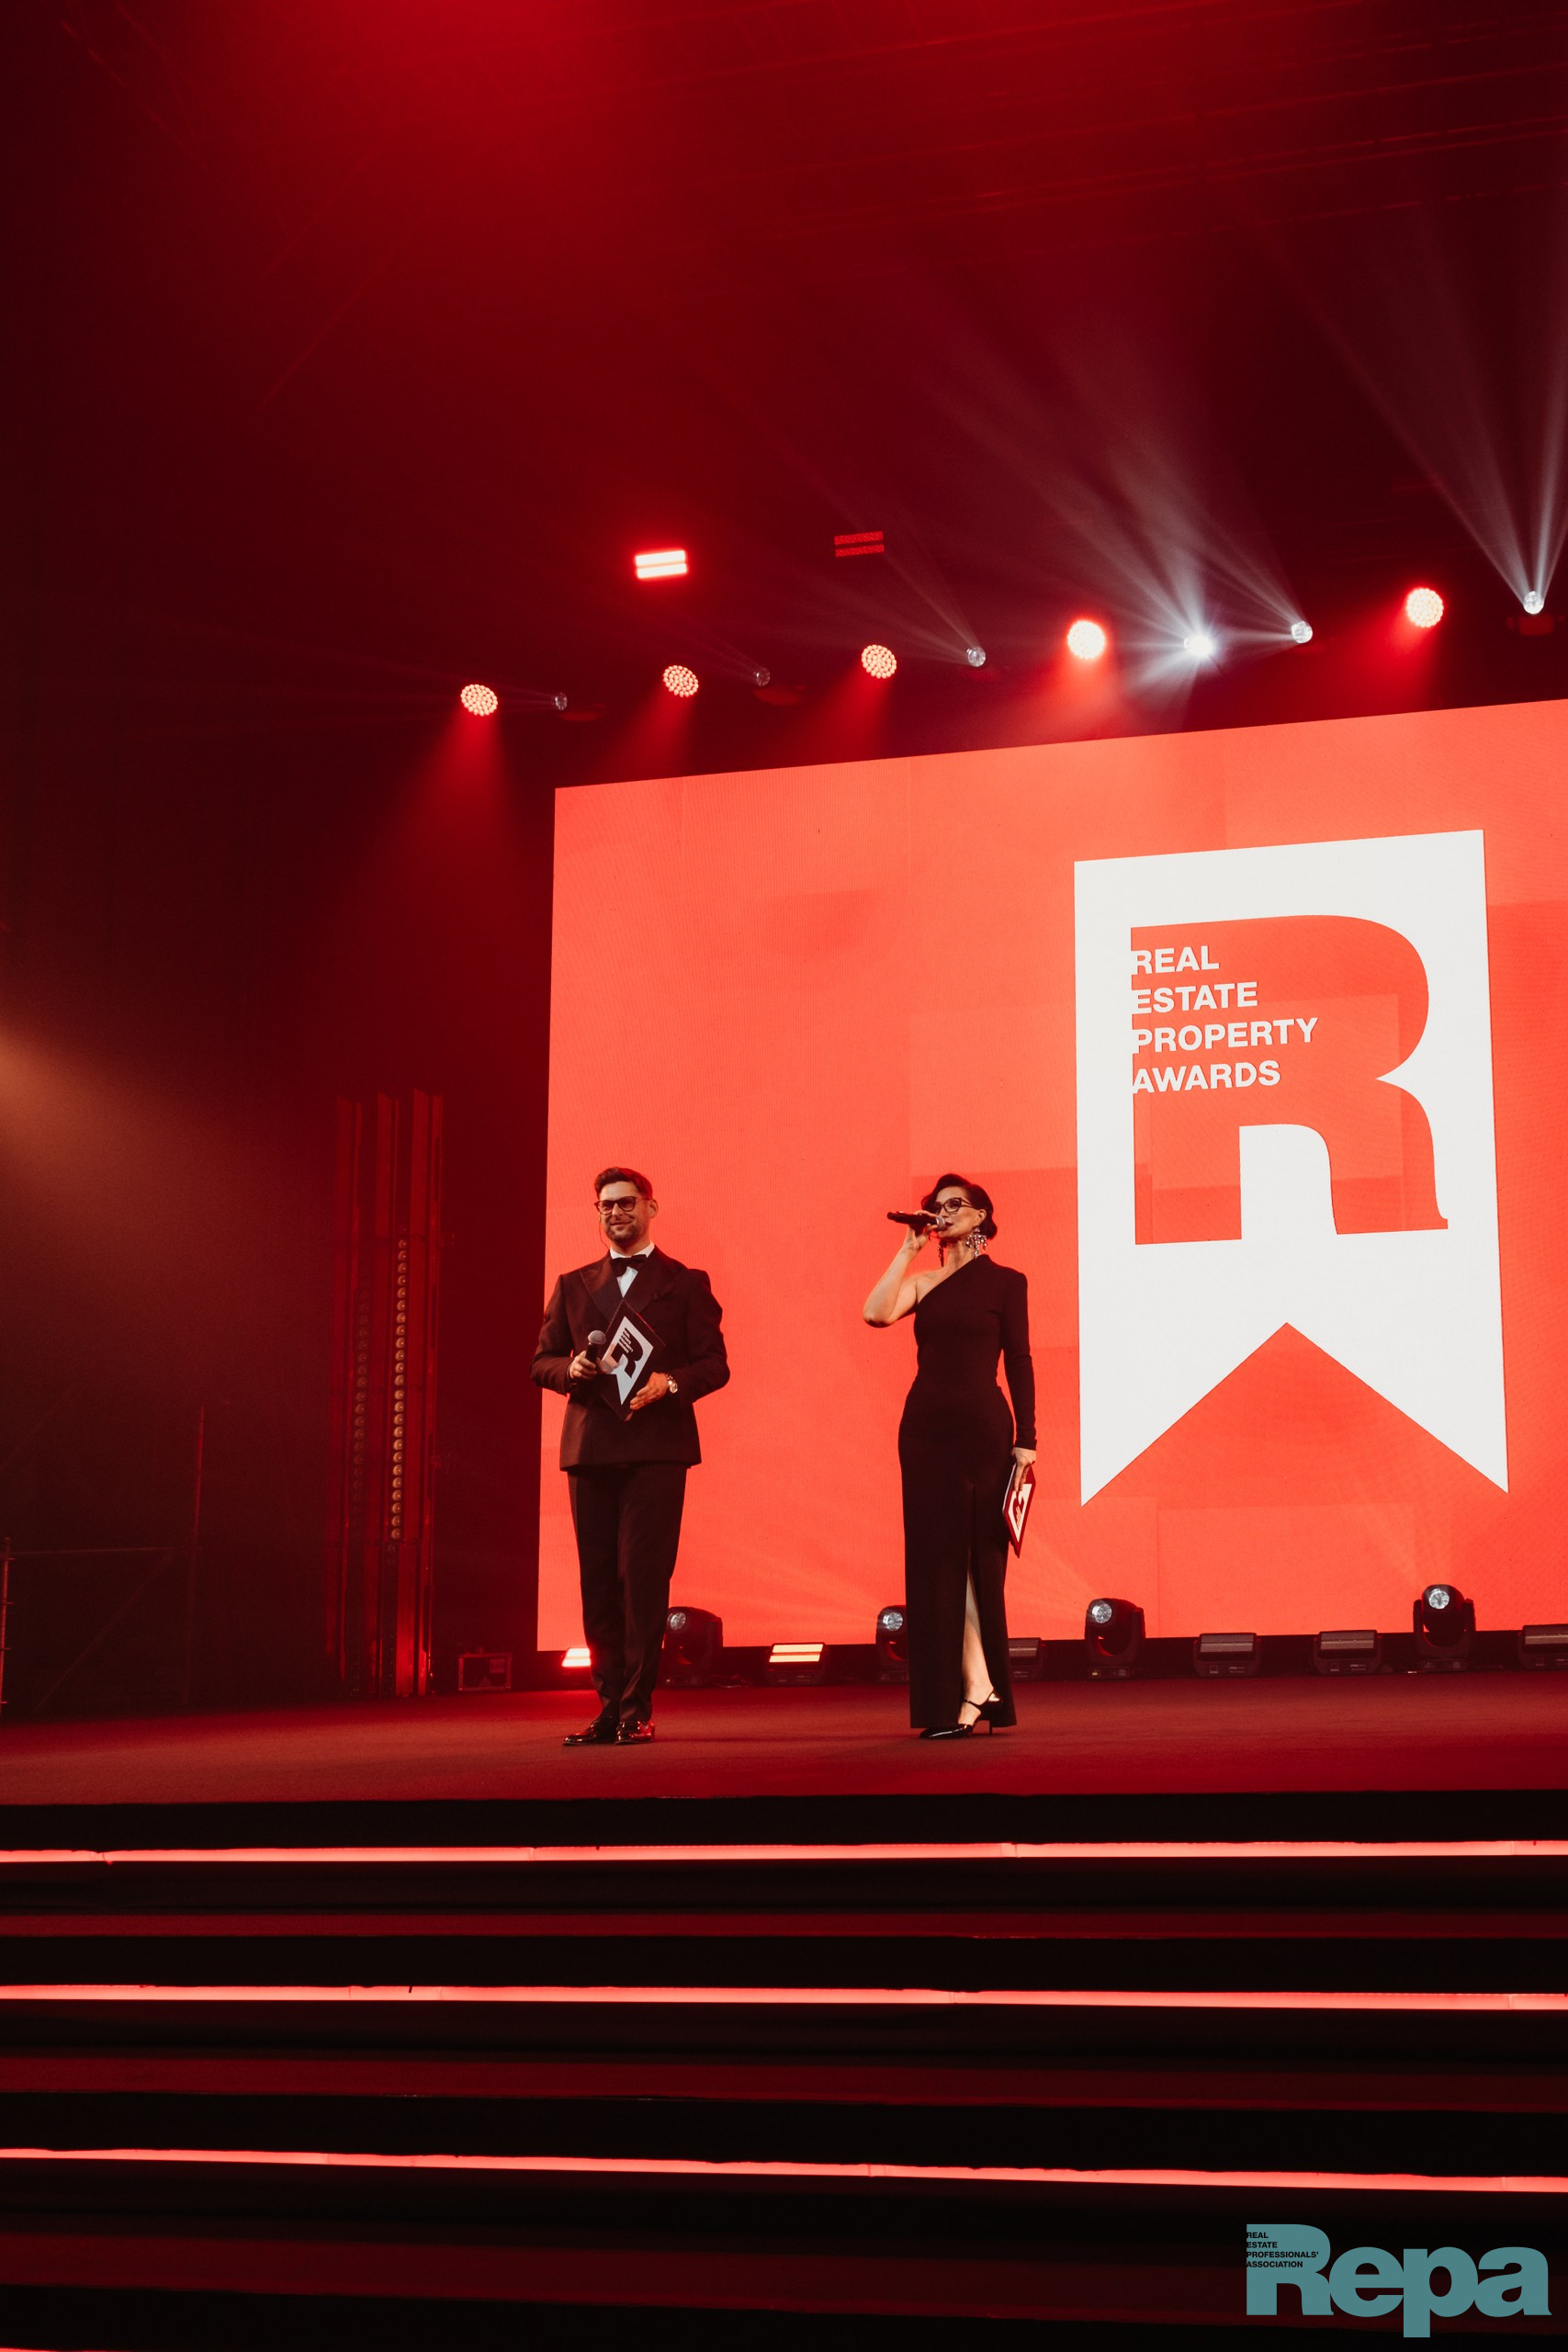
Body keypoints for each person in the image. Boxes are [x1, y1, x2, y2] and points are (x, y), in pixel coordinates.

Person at [533, 1166, 729, 1746]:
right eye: (605, 1205)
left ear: (650, 1207)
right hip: (591, 1446)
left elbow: (715, 1364)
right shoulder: (573, 1283)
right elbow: (541, 1361)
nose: (615, 1212)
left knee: (641, 1580)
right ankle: (607, 1707)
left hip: (656, 1448)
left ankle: (636, 1709)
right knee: (597, 1584)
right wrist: (570, 1369)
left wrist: (670, 1383)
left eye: (625, 1202)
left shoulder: (685, 1282)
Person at [863, 1174, 1036, 1738]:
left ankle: (979, 1688)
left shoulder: (1006, 1282)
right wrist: (908, 1248)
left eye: (955, 1204)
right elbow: (875, 1313)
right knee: (936, 1563)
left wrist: (1028, 1439)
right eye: (936, 1206)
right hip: (924, 1431)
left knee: (977, 1560)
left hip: (983, 1431)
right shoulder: (925, 1281)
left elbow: (1019, 1360)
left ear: (982, 1216)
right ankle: (975, 1687)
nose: (944, 1212)